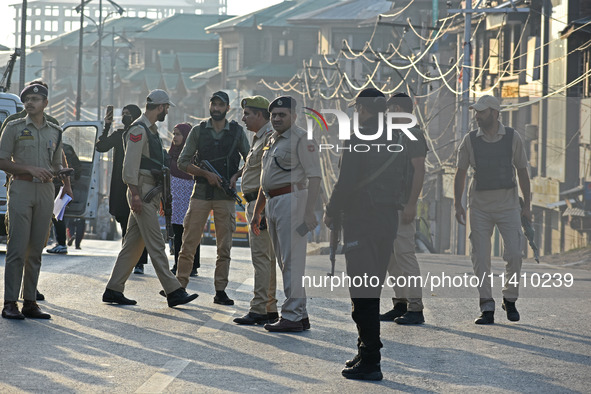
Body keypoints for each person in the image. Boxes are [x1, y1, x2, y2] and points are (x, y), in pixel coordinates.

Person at [324, 88, 406, 381]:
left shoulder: (358, 136)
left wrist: (331, 211)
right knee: (372, 289)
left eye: (357, 108)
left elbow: (345, 181)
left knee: (363, 293)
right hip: (387, 221)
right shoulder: (398, 137)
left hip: (362, 221)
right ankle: (365, 349)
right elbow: (407, 178)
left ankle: (371, 360)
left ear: (363, 108)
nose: (356, 112)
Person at [102, 89, 198, 308]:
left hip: (148, 192)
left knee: (133, 246)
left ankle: (113, 289)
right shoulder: (139, 130)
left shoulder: (151, 130)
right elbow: (130, 167)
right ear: (161, 107)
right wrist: (135, 194)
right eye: (166, 108)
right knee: (156, 244)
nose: (166, 111)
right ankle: (174, 291)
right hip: (142, 192)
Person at [454, 95, 531, 324]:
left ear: (495, 113)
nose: (477, 116)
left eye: (482, 112)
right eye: (476, 112)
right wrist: (457, 203)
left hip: (508, 205)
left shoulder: (511, 137)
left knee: (515, 253)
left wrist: (527, 206)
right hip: (479, 206)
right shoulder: (470, 140)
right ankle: (486, 305)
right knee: (480, 256)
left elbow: (522, 172)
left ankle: (510, 299)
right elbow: (460, 172)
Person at [250, 95, 321, 333]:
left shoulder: (303, 139)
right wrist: (257, 211)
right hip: (273, 202)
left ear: (294, 116)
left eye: (283, 115)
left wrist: (309, 211)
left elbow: (314, 177)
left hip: (293, 201)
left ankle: (291, 315)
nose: (277, 118)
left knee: (292, 262)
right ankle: (300, 315)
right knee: (284, 262)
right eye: (274, 115)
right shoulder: (272, 139)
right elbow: (264, 180)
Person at [0, 83, 70, 319]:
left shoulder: (55, 131)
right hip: (21, 188)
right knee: (17, 248)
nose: (30, 102)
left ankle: (30, 301)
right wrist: (29, 168)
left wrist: (62, 172)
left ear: (45, 104)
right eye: (27, 99)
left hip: (46, 191)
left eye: (36, 99)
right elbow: (1, 160)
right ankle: (10, 302)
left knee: (36, 250)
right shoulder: (14, 127)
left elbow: (57, 162)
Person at [175, 91, 250, 306]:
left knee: (224, 246)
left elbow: (251, 160)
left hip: (225, 196)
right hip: (200, 193)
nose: (216, 108)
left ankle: (220, 290)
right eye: (213, 104)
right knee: (188, 243)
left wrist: (236, 176)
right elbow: (183, 162)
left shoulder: (236, 132)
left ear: (227, 108)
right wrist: (206, 174)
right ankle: (179, 287)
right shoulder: (198, 131)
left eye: (220, 105)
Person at [380, 93, 428, 325]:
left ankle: (415, 308)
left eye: (389, 110)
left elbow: (419, 170)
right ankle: (400, 303)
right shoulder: (396, 135)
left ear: (398, 109)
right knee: (392, 258)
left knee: (405, 256)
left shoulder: (414, 134)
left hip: (402, 206)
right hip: (388, 206)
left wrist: (411, 204)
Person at [233, 96, 278, 326]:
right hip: (256, 202)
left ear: (261, 115)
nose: (244, 118)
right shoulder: (258, 138)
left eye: (248, 114)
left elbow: (266, 176)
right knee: (267, 259)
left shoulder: (269, 137)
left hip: (260, 203)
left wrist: (258, 210)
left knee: (261, 258)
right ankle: (269, 307)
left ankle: (259, 307)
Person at [95, 104, 149, 274]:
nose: (125, 116)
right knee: (124, 222)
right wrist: (107, 125)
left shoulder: (143, 133)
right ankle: (129, 260)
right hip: (120, 184)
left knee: (140, 223)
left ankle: (139, 262)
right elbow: (101, 146)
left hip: (139, 183)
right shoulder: (119, 135)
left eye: (128, 114)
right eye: (123, 113)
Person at [168, 122, 200, 277]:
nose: (175, 137)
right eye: (174, 134)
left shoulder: (192, 156)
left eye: (178, 134)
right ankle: (178, 264)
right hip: (175, 201)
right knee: (178, 232)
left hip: (189, 198)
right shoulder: (171, 154)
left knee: (192, 231)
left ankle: (193, 265)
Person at [47, 142, 81, 254]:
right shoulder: (67, 147)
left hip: (53, 184)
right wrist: (72, 183)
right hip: (65, 185)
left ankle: (61, 243)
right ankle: (60, 242)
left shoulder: (50, 145)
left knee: (56, 215)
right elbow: (77, 167)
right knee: (58, 214)